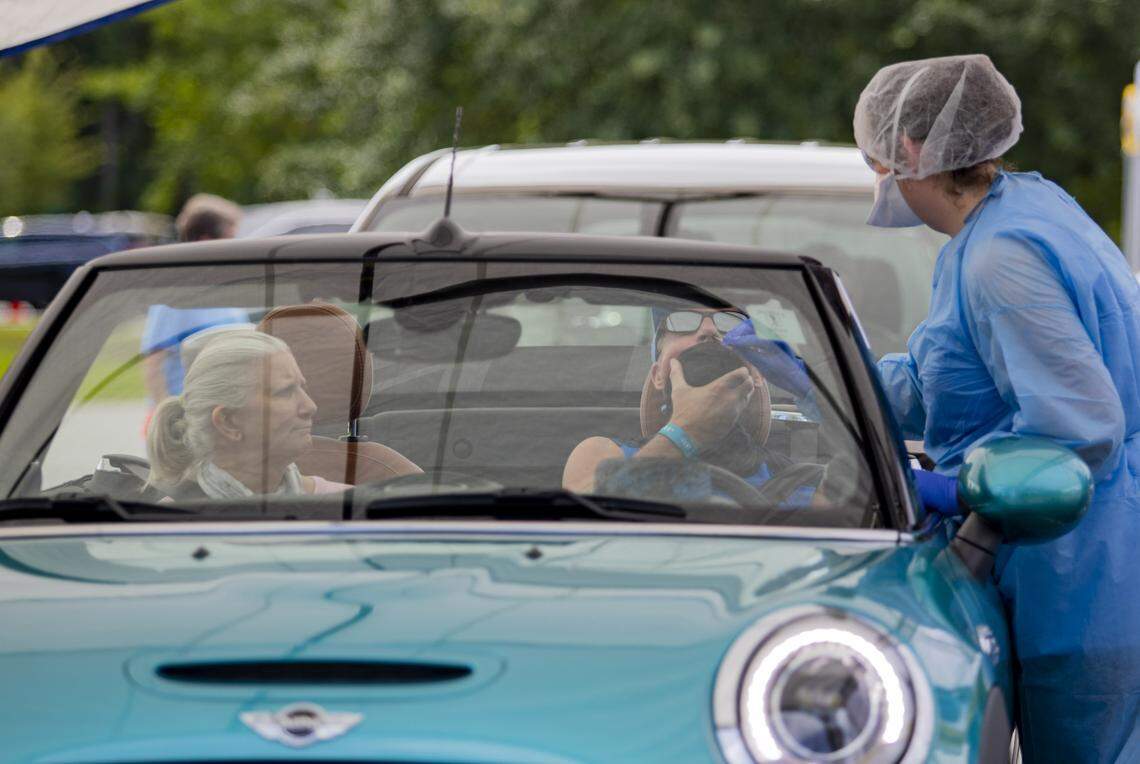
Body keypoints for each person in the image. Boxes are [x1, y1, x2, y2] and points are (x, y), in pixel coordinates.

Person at [854, 54, 1140, 762]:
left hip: (1080, 570)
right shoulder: (1014, 217)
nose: (877, 176)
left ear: (910, 149)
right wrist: (822, 380)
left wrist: (960, 492)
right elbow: (943, 383)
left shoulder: (1000, 257)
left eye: (877, 158)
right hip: (1082, 557)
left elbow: (1081, 430)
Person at [563, 307, 818, 505]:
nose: (709, 330)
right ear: (658, 375)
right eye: (682, 321)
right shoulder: (604, 455)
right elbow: (579, 524)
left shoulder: (801, 482)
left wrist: (814, 397)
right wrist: (687, 431)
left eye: (729, 323)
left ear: (757, 374)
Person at [146, 329, 348, 499]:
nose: (310, 406)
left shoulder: (348, 508)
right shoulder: (169, 524)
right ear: (228, 422)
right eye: (285, 391)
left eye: (302, 388)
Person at [141, 194, 248, 404]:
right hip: (189, 413)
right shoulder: (175, 295)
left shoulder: (227, 290)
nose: (236, 248)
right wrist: (168, 415)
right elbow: (154, 364)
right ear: (206, 241)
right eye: (231, 239)